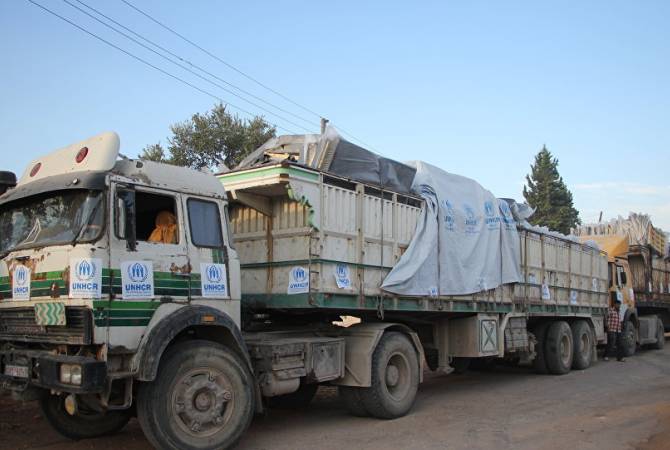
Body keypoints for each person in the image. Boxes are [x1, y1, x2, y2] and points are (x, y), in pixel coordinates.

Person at [604, 297, 625, 362]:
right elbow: (606, 318)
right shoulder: (611, 310)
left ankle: (620, 358)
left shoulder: (619, 312)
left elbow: (620, 321)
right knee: (611, 343)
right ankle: (606, 356)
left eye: (619, 305)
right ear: (615, 304)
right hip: (611, 330)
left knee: (620, 344)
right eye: (618, 304)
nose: (619, 306)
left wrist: (621, 328)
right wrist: (607, 326)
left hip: (618, 330)